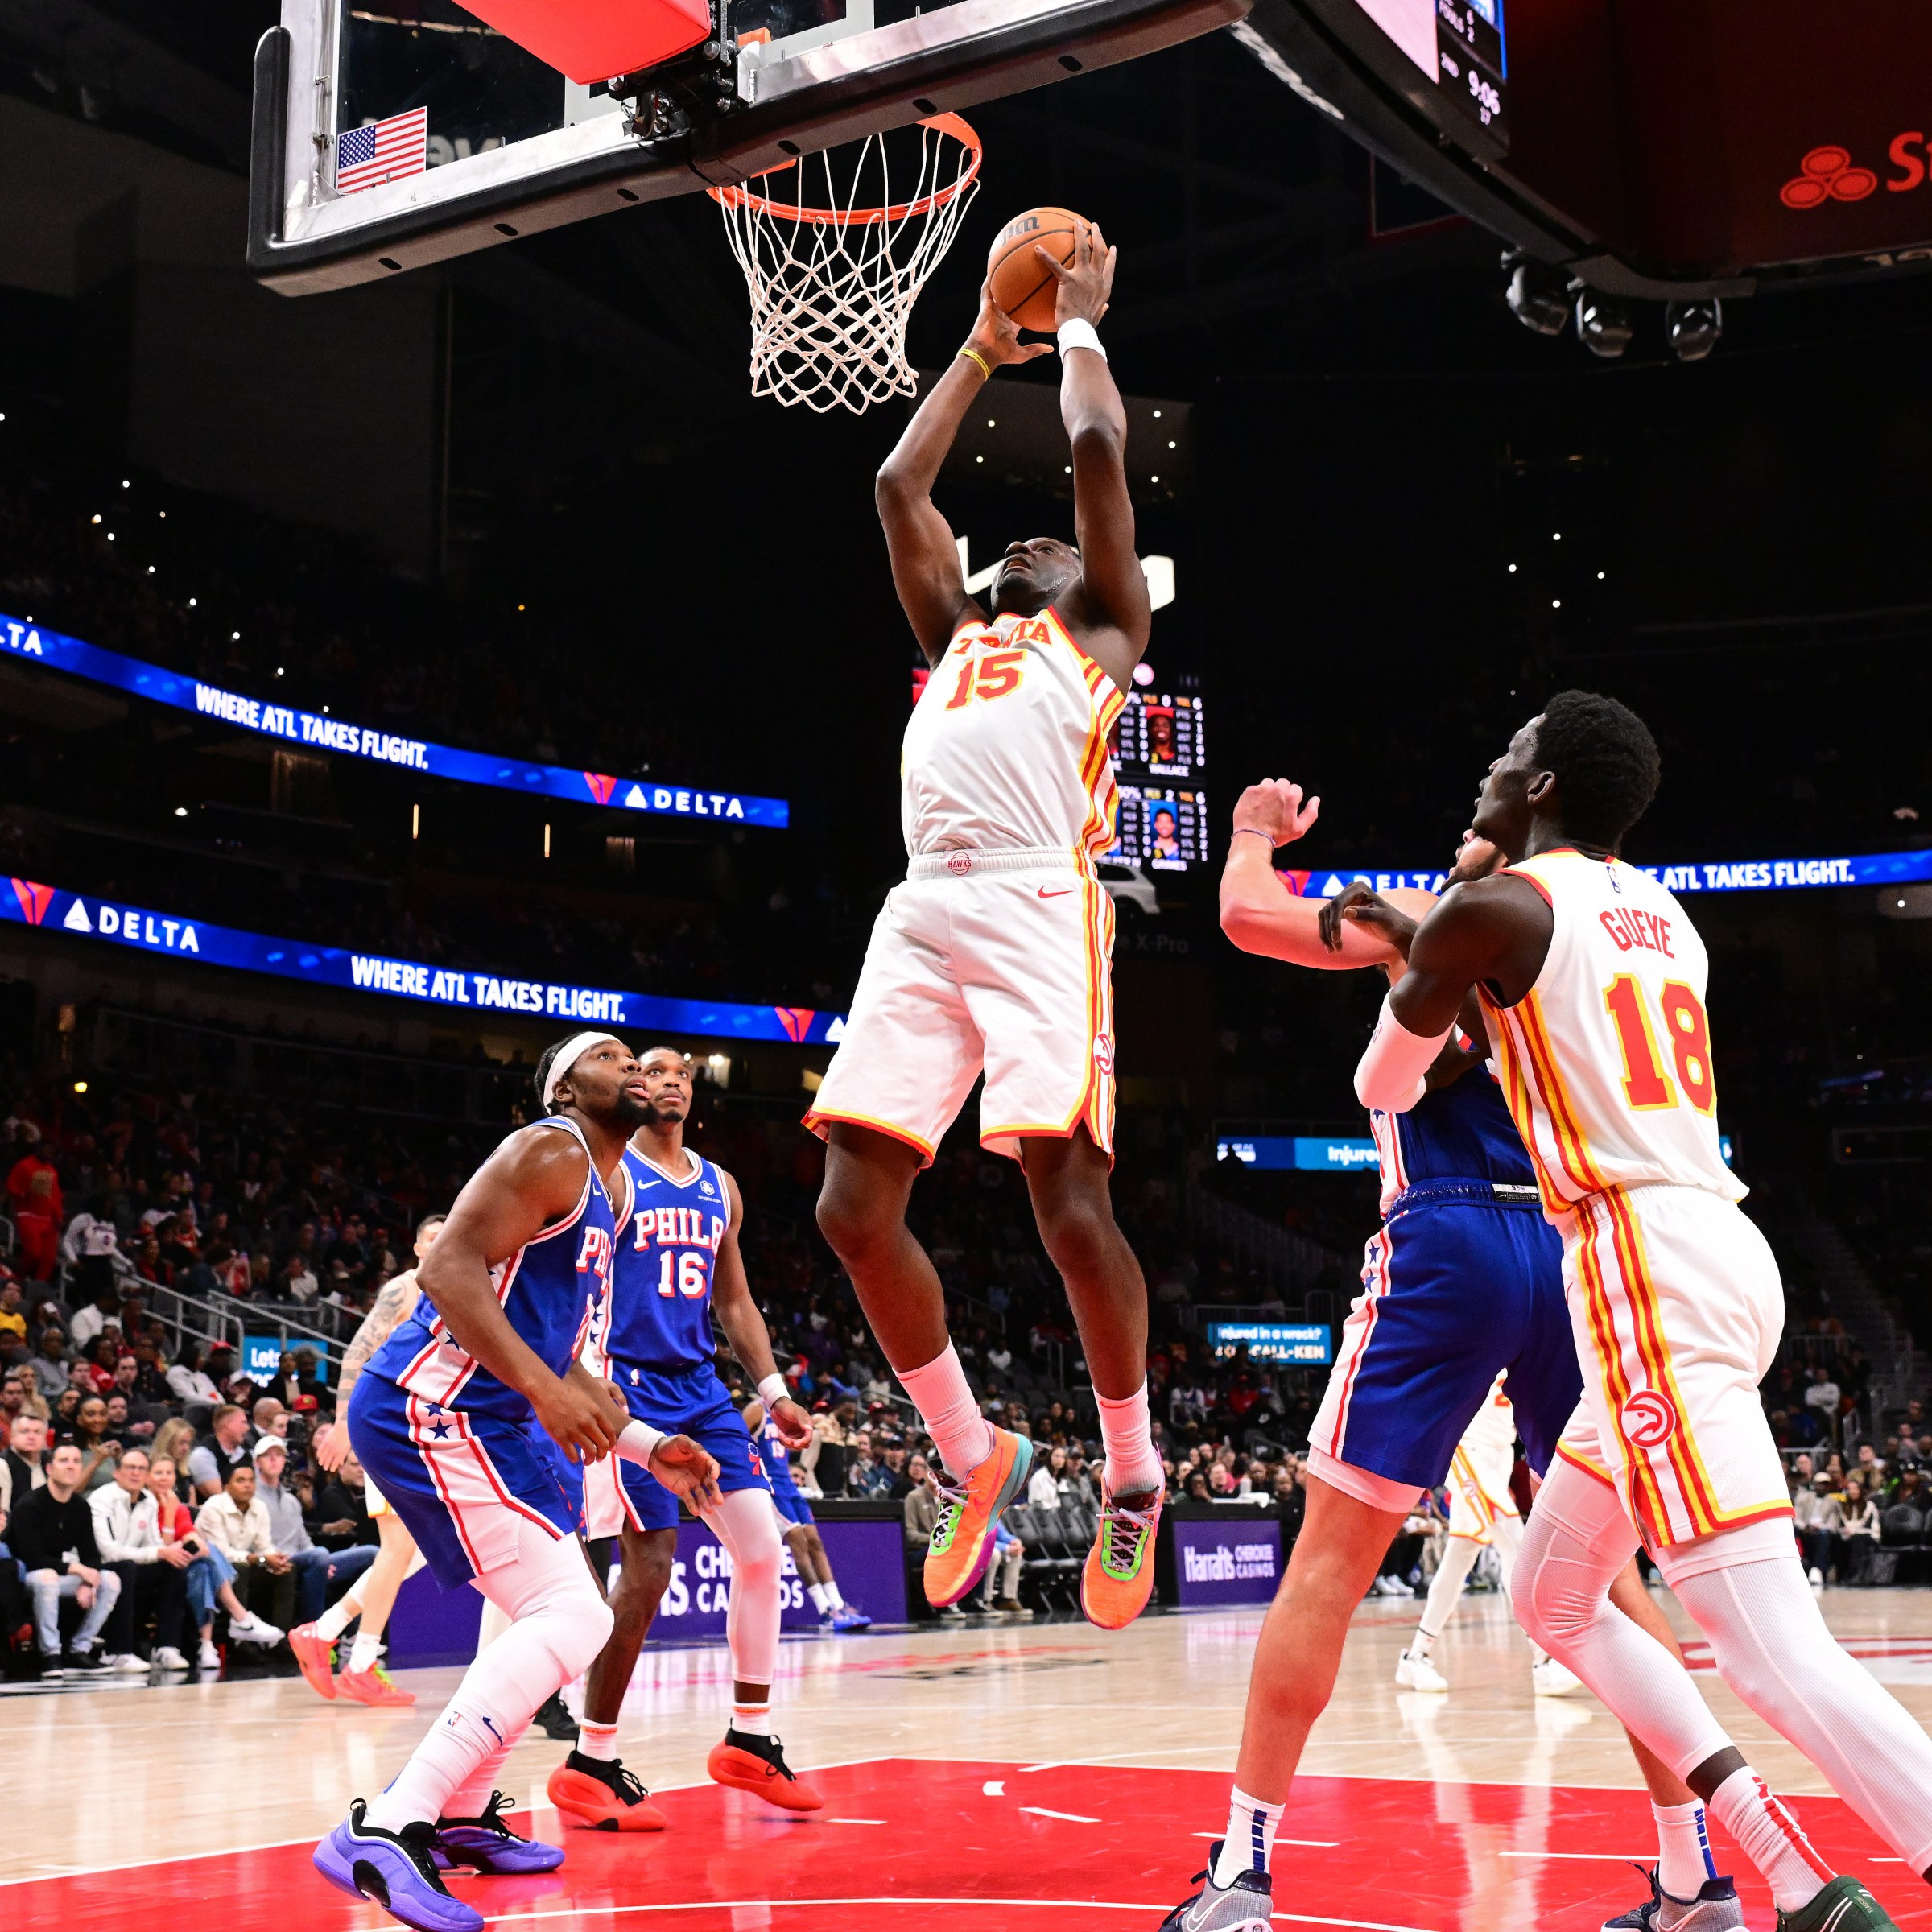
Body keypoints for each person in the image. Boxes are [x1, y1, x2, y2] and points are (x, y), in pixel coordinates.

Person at [1355, 691, 1932, 1932]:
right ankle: (1784, 1875)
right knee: (1552, 1598)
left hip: (1639, 1272)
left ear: (1547, 786)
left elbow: (1383, 1083)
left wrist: (1424, 948)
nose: (1485, 773)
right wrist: (1449, 949)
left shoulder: (1496, 907)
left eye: (1506, 756)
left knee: (1774, 1651)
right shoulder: (1666, 913)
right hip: (1713, 1246)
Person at [1160, 774, 1737, 1932]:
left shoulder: (1423, 919)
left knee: (1330, 1557)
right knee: (1614, 1581)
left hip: (1455, 1224)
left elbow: (1244, 919)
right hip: (1582, 1244)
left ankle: (1241, 1877)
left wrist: (1253, 834)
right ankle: (1697, 1878)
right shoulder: (1600, 934)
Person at [807, 223, 1164, 1633]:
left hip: (1035, 897)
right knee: (848, 1207)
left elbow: (1092, 463)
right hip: (923, 903)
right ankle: (973, 1449)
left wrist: (1078, 324)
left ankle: (1133, 1481)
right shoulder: (952, 627)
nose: (1030, 539)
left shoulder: (1107, 629)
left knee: (1070, 1212)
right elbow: (898, 480)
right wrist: (976, 346)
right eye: (1010, 541)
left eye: (1049, 546)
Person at [312, 1033, 720, 1932]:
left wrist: (651, 1447)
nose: (642, 1074)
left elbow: (563, 1360)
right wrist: (543, 1388)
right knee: (575, 1615)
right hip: (430, 1407)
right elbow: (445, 1269)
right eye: (616, 1059)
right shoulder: (550, 1149)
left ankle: (463, 1814)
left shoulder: (607, 1197)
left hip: (487, 1419)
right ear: (568, 1088)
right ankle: (385, 1827)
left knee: (555, 1611)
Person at [547, 1046, 824, 1835]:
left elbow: (733, 1301)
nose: (668, 1079)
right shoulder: (612, 1173)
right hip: (631, 1383)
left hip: (702, 1389)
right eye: (654, 1071)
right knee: (648, 1570)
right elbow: (579, 1280)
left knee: (763, 1551)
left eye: (680, 1073)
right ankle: (590, 1759)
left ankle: (750, 1737)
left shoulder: (719, 1184)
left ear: (693, 1093)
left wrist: (773, 1390)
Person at [295, 1214, 444, 1707]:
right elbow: (356, 1351)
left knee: (417, 1552)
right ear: (418, 1249)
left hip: (424, 1429)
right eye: (431, 1237)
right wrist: (340, 1423)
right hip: (391, 1424)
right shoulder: (404, 1289)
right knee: (399, 1547)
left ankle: (326, 1630)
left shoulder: (458, 1286)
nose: (441, 1243)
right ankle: (359, 1662)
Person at [1393, 1374, 1577, 1696]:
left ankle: (1415, 1655)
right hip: (1469, 1450)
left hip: (1498, 1454)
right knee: (1515, 1545)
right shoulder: (1475, 1331)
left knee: (1459, 1558)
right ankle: (1543, 1660)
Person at [746, 1392, 871, 1632]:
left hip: (789, 1485)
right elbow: (735, 1441)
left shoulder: (785, 1414)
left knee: (815, 1540)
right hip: (770, 1484)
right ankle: (824, 1609)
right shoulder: (756, 1409)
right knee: (797, 1540)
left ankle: (837, 1603)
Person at [146, 1451, 265, 1674]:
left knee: (203, 1563)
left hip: (180, 1563)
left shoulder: (178, 1506)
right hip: (154, 1565)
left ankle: (208, 1645)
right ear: (148, 1477)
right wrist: (171, 1516)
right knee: (207, 1556)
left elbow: (191, 1538)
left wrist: (196, 1545)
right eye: (158, 1473)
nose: (164, 1478)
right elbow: (162, 1546)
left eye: (169, 1473)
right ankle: (239, 1616)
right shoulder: (147, 1504)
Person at [11, 1441, 122, 1672]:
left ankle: (80, 1648)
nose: (71, 1466)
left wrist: (87, 1583)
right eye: (64, 1461)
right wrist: (79, 1571)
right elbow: (33, 1558)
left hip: (58, 1573)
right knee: (47, 1577)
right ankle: (50, 1654)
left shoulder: (80, 1507)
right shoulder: (30, 1505)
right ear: (49, 1469)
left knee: (110, 1580)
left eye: (76, 1461)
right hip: (23, 1577)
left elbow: (91, 1555)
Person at [254, 1434, 374, 1628]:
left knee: (372, 1554)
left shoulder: (290, 1500)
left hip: (306, 1559)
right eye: (268, 1455)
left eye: (279, 1454)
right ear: (257, 1462)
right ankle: (314, 1630)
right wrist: (320, 1558)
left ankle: (356, 1632)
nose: (275, 1459)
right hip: (274, 1561)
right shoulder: (252, 1499)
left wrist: (324, 1561)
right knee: (319, 1555)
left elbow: (303, 1539)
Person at [91, 1443, 190, 1672]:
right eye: (130, 1467)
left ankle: (166, 1647)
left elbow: (154, 1544)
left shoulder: (149, 1500)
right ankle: (119, 1652)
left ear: (147, 1475)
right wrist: (158, 1552)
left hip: (131, 1566)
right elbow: (109, 1551)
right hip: (99, 1568)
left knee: (173, 1568)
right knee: (126, 1568)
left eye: (141, 1469)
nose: (135, 1473)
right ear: (117, 1472)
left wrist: (170, 1552)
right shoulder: (102, 1499)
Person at [195, 1459, 295, 1635]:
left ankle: (280, 1636)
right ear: (226, 1486)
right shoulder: (214, 1507)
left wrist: (275, 1558)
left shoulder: (260, 1507)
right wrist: (261, 1559)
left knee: (287, 1570)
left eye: (251, 1480)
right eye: (241, 1481)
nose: (248, 1485)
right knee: (240, 1568)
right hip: (214, 1570)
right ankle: (241, 1639)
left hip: (246, 1563)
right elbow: (221, 1553)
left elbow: (263, 1545)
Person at [188, 1404, 253, 1500]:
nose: (248, 1428)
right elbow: (219, 1498)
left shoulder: (247, 1453)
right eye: (243, 1422)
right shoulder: (203, 1455)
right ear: (227, 1424)